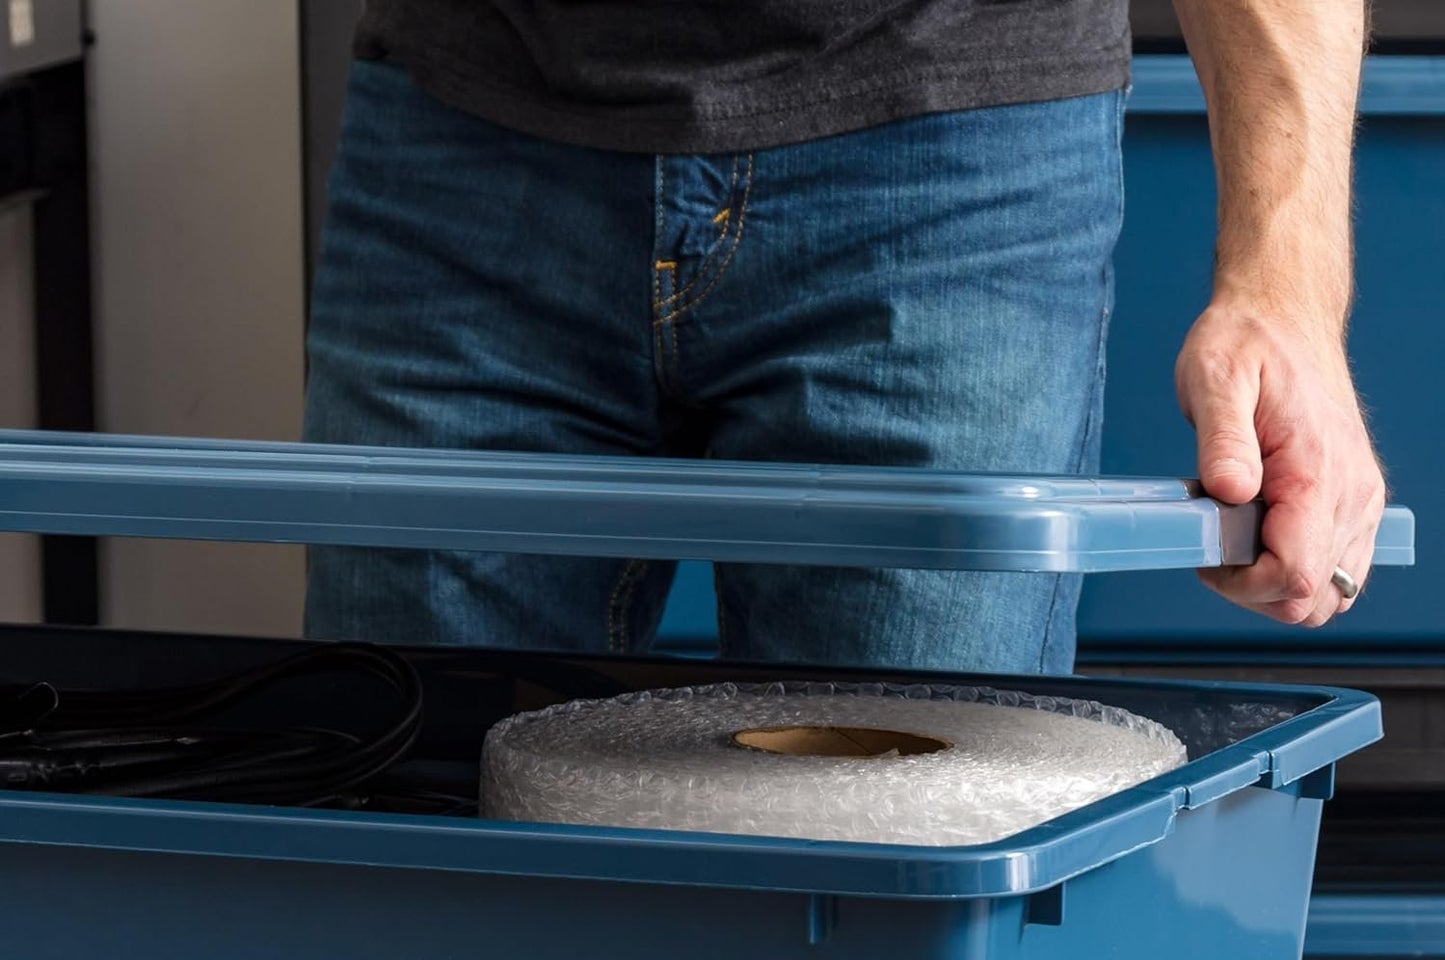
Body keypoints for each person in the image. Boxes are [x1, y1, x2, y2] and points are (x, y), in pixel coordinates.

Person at [303, 0, 1386, 673]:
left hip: (950, 163)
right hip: (470, 124)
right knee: (414, 821)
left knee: (900, 858)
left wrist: (1284, 288)